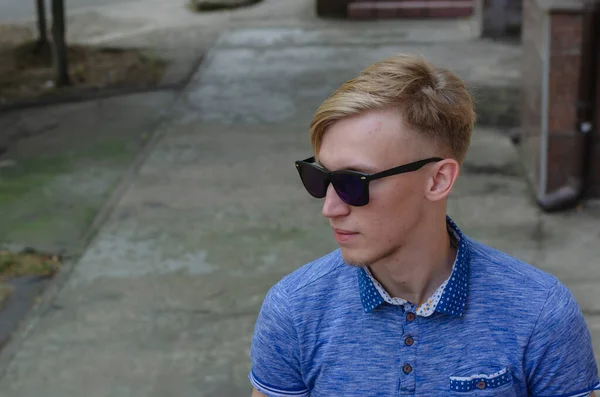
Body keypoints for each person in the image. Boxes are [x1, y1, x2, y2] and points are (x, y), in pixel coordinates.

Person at [247, 54, 599, 397]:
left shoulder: (540, 314)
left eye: (353, 182)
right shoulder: (295, 310)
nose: (329, 207)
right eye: (318, 176)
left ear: (438, 180)